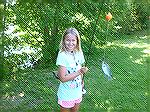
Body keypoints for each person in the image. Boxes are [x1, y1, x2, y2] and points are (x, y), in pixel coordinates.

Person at [56, 28, 88, 112]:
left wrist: (82, 81)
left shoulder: (79, 53)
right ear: (63, 41)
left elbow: (80, 68)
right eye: (68, 40)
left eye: (73, 40)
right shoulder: (62, 55)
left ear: (77, 41)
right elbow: (62, 78)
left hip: (77, 91)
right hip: (66, 94)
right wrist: (79, 72)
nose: (70, 43)